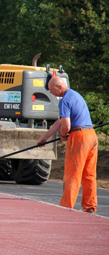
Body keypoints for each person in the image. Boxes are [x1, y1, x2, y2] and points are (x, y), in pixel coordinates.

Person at [37, 76, 98, 213]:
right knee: (89, 174)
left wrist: (64, 136)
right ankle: (90, 205)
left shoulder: (64, 100)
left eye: (52, 90)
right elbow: (60, 121)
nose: (51, 93)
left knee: (72, 174)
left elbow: (66, 125)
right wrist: (45, 137)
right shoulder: (76, 96)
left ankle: (66, 207)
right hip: (91, 136)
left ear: (59, 87)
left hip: (79, 137)